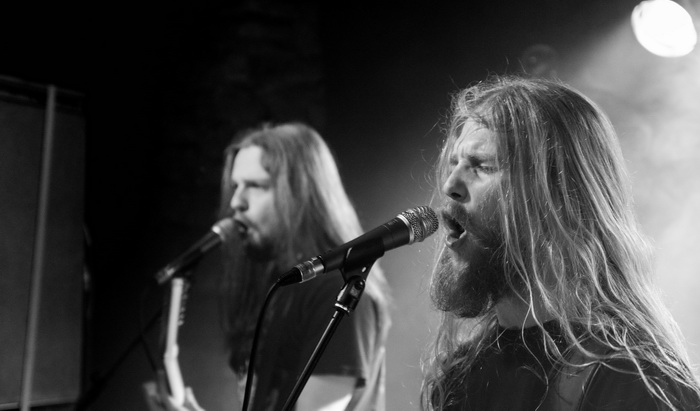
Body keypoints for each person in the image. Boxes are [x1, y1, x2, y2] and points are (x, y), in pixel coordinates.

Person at [421, 75, 700, 410]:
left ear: (556, 199)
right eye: (454, 163)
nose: (450, 185)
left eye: (482, 166)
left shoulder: (629, 379)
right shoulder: (462, 374)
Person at [148, 122, 391, 411]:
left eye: (255, 186)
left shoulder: (338, 290)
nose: (236, 202)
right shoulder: (280, 284)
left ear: (300, 194)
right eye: (236, 186)